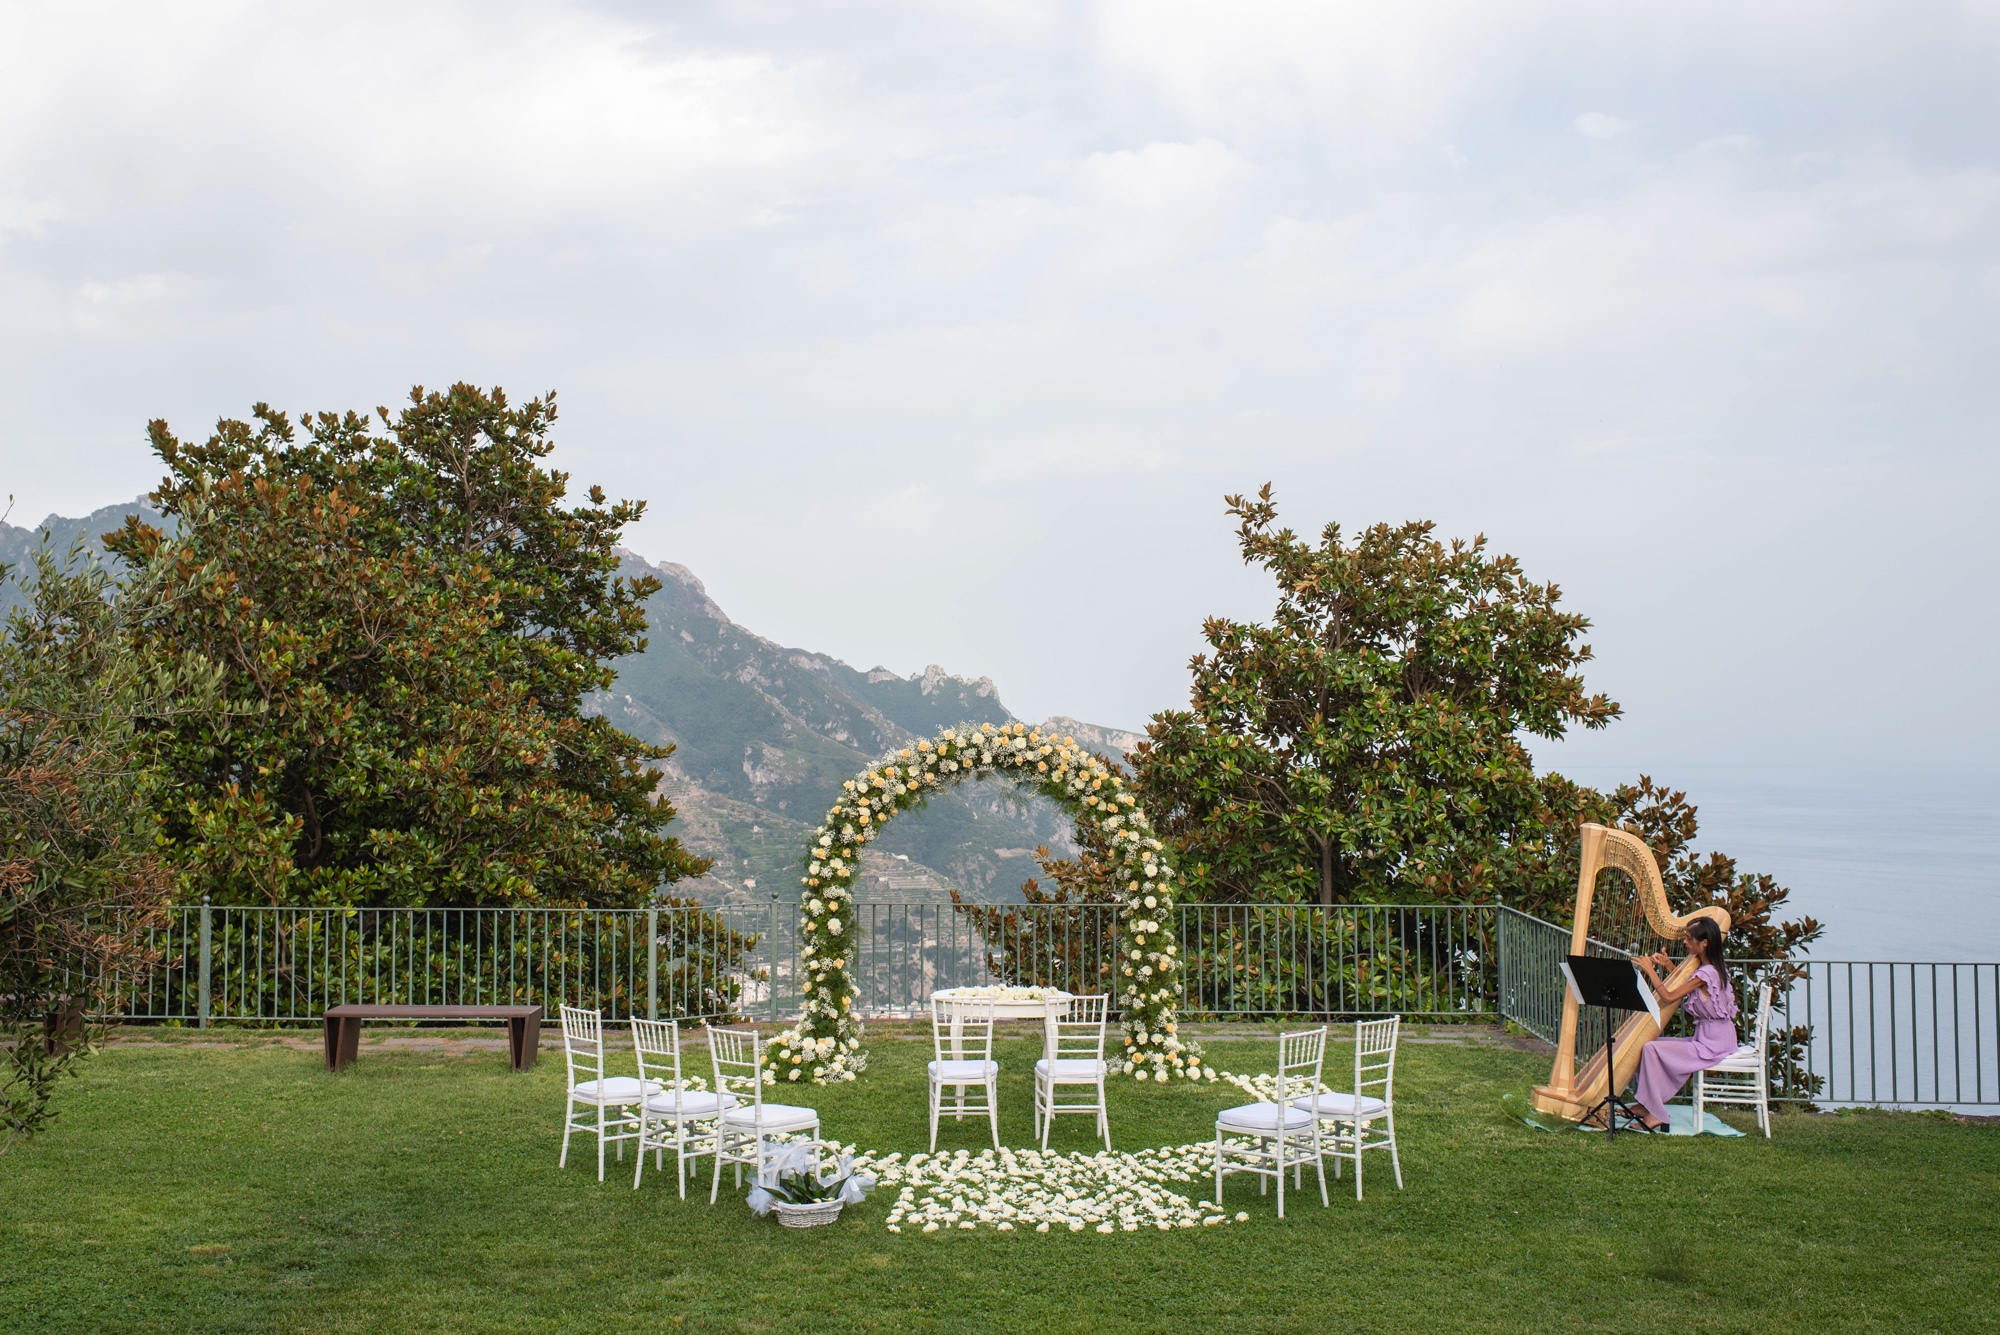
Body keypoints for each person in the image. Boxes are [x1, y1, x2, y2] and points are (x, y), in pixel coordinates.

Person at [1629, 917, 1738, 1132]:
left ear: (1704, 943)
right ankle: (1646, 1105)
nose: (1685, 943)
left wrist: (1650, 970)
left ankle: (1656, 1114)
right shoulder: (1713, 967)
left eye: (1689, 939)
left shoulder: (1707, 973)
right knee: (1652, 1044)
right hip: (1712, 1037)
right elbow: (1687, 987)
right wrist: (1668, 965)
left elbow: (1669, 997)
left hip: (1713, 1044)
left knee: (1651, 1048)